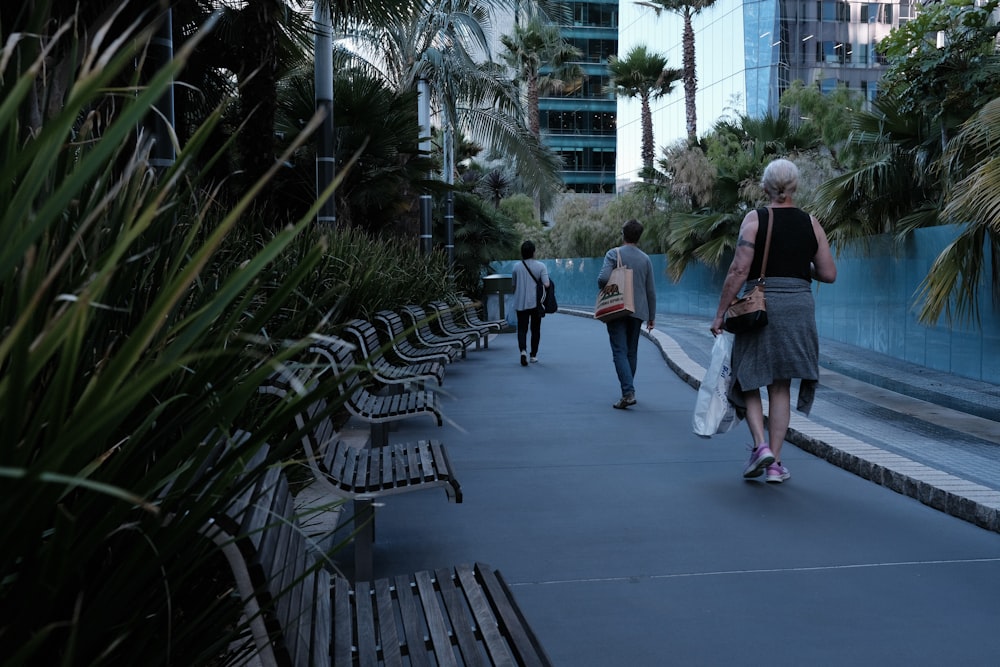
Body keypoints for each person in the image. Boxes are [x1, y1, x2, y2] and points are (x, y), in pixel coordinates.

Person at [710, 158, 837, 483]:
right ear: (795, 187)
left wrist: (721, 312)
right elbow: (828, 274)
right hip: (799, 306)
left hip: (762, 306)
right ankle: (776, 464)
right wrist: (796, 268)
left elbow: (739, 269)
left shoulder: (756, 219)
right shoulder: (812, 223)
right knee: (780, 384)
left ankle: (760, 447)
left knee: (746, 377)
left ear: (765, 187)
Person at [598, 219, 657, 409]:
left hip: (617, 308)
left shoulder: (613, 254)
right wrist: (651, 316)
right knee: (631, 351)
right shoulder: (645, 259)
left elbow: (603, 278)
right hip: (638, 310)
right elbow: (651, 291)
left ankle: (628, 392)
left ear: (623, 234)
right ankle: (628, 390)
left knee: (619, 351)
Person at [510, 240, 550, 366]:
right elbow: (546, 284)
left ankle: (523, 351)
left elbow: (513, 285)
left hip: (520, 303)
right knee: (535, 329)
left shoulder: (516, 267)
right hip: (536, 303)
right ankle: (533, 355)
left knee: (522, 329)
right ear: (533, 252)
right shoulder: (541, 266)